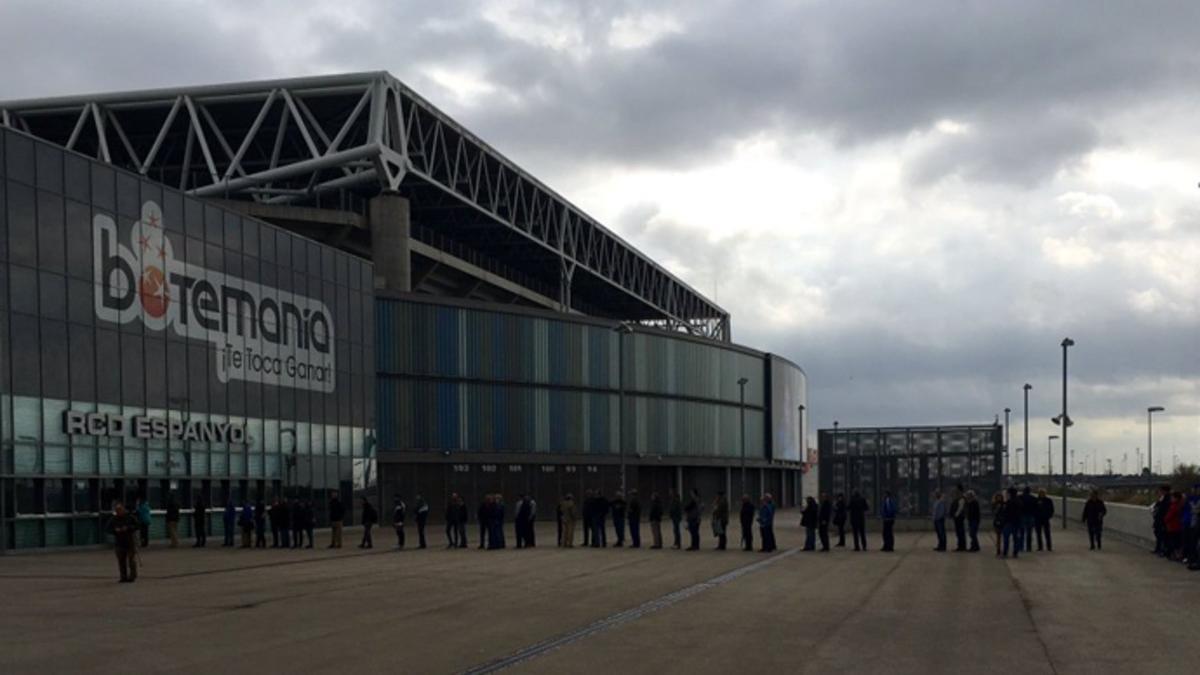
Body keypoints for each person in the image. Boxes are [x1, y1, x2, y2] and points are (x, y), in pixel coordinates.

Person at [108, 502, 139, 583]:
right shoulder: (113, 519)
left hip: (130, 541)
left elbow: (137, 526)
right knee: (121, 561)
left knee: (131, 560)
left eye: (120, 510)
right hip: (119, 542)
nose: (119, 512)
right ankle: (123, 576)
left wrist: (128, 528)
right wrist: (115, 530)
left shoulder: (130, 517)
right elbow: (108, 528)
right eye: (117, 510)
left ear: (124, 510)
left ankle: (132, 575)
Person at [1002, 487, 1023, 558]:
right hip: (1017, 522)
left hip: (1008, 522)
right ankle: (1015, 553)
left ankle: (1005, 552)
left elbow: (1005, 512)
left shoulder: (1009, 502)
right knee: (1016, 539)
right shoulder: (1019, 501)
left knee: (1006, 538)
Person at [1164, 491, 1185, 560]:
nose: (1171, 499)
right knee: (1178, 541)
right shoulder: (1181, 505)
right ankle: (1178, 555)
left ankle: (1175, 556)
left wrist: (1165, 520)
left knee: (1173, 542)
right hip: (1178, 526)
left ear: (1176, 498)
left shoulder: (1173, 506)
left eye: (1172, 497)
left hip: (1172, 526)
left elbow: (1169, 516)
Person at [1152, 485, 1170, 557]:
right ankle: (1158, 548)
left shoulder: (1167, 499)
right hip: (1158, 519)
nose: (1159, 492)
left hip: (1163, 520)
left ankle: (1163, 550)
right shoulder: (1161, 498)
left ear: (1164, 491)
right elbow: (1157, 505)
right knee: (1158, 534)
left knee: (1163, 536)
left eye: (1160, 491)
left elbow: (1164, 509)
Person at [1020, 487, 1038, 553]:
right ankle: (1029, 547)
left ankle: (1021, 547)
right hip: (1031, 516)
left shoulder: (1020, 497)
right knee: (1029, 533)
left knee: (1021, 532)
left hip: (1022, 516)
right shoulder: (1034, 498)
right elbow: (1037, 508)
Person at [949, 485, 966, 552]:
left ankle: (961, 546)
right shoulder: (957, 498)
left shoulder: (961, 498)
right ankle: (960, 545)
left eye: (957, 490)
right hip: (957, 517)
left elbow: (960, 508)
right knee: (959, 532)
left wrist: (956, 515)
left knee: (960, 532)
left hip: (959, 517)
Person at [991, 492, 1006, 557]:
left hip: (1003, 521)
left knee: (1005, 536)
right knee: (998, 536)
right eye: (998, 497)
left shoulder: (1004, 504)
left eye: (1000, 497)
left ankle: (1004, 549)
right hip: (997, 521)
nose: (999, 498)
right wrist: (997, 508)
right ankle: (998, 549)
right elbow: (993, 512)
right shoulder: (994, 504)